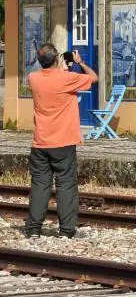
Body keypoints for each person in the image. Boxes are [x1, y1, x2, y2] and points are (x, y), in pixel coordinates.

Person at [25, 44, 98, 238]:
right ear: (57, 59)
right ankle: (67, 230)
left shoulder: (33, 78)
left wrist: (60, 67)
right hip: (63, 141)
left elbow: (47, 78)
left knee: (40, 185)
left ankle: (33, 229)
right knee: (66, 184)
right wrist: (79, 63)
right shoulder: (68, 78)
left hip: (40, 142)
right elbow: (93, 78)